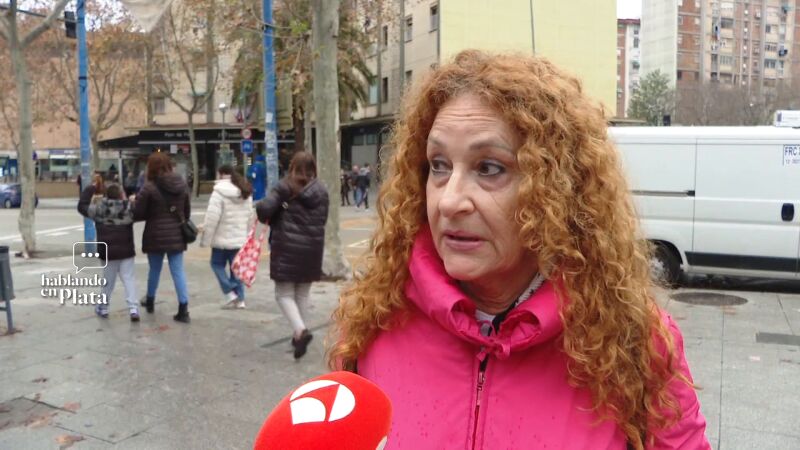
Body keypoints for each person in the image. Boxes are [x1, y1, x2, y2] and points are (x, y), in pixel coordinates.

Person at [329, 51, 710, 449]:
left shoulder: (633, 342)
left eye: (488, 168)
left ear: (556, 190)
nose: (449, 201)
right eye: (439, 165)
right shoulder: (372, 322)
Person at [256, 151, 329, 359]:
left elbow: (264, 211)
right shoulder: (321, 191)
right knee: (302, 294)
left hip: (287, 248)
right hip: (312, 249)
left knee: (283, 294)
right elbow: (323, 220)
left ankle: (300, 330)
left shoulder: (285, 187)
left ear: (292, 166)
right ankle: (298, 338)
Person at [133, 152, 192, 323]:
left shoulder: (149, 187)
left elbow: (138, 212)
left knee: (154, 269)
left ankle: (150, 300)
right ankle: (183, 309)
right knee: (178, 271)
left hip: (155, 234)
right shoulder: (181, 184)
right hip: (176, 233)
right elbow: (186, 211)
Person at [78, 183, 139, 321]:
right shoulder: (129, 208)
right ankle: (133, 308)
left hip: (107, 252)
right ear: (121, 194)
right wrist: (136, 198)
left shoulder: (99, 208)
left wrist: (91, 188)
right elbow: (145, 210)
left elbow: (82, 206)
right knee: (128, 278)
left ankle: (103, 307)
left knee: (108, 280)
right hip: (126, 250)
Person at [200, 165, 253, 309]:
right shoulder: (245, 190)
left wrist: (206, 239)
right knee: (236, 270)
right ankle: (240, 300)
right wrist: (246, 235)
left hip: (221, 240)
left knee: (216, 264)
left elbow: (212, 218)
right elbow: (249, 216)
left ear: (221, 174)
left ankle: (230, 292)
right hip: (239, 239)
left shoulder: (218, 192)